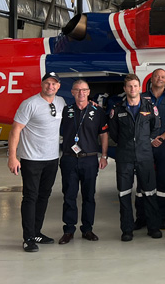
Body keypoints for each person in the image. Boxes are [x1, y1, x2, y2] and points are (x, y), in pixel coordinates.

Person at [7, 71, 67, 252]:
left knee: (44, 196)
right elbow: (15, 130)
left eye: (54, 83)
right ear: (42, 84)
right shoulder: (29, 104)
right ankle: (28, 238)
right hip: (31, 159)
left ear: (58, 86)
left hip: (52, 158)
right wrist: (12, 156)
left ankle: (37, 232)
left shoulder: (61, 102)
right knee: (30, 197)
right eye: (48, 83)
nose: (51, 86)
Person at [108, 74, 162, 241]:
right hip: (124, 157)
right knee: (124, 194)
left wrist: (145, 143)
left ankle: (153, 227)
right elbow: (114, 134)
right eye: (129, 86)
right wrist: (128, 145)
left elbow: (156, 127)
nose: (132, 89)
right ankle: (127, 229)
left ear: (140, 88)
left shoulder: (149, 107)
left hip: (145, 155)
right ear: (125, 89)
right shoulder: (117, 110)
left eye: (135, 86)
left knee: (150, 192)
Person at [58, 80, 108, 245]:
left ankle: (87, 229)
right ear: (72, 92)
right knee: (69, 196)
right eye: (77, 90)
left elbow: (104, 135)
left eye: (84, 90)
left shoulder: (97, 111)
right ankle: (69, 230)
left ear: (88, 92)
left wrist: (104, 156)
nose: (81, 93)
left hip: (89, 159)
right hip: (69, 159)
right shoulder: (65, 110)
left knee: (89, 196)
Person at [137, 69, 165, 230]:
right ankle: (141, 217)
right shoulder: (140, 97)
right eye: (157, 76)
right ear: (151, 78)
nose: (160, 79)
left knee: (164, 182)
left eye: (163, 77)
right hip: (144, 145)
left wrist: (161, 137)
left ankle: (162, 217)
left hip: (164, 144)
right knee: (143, 182)